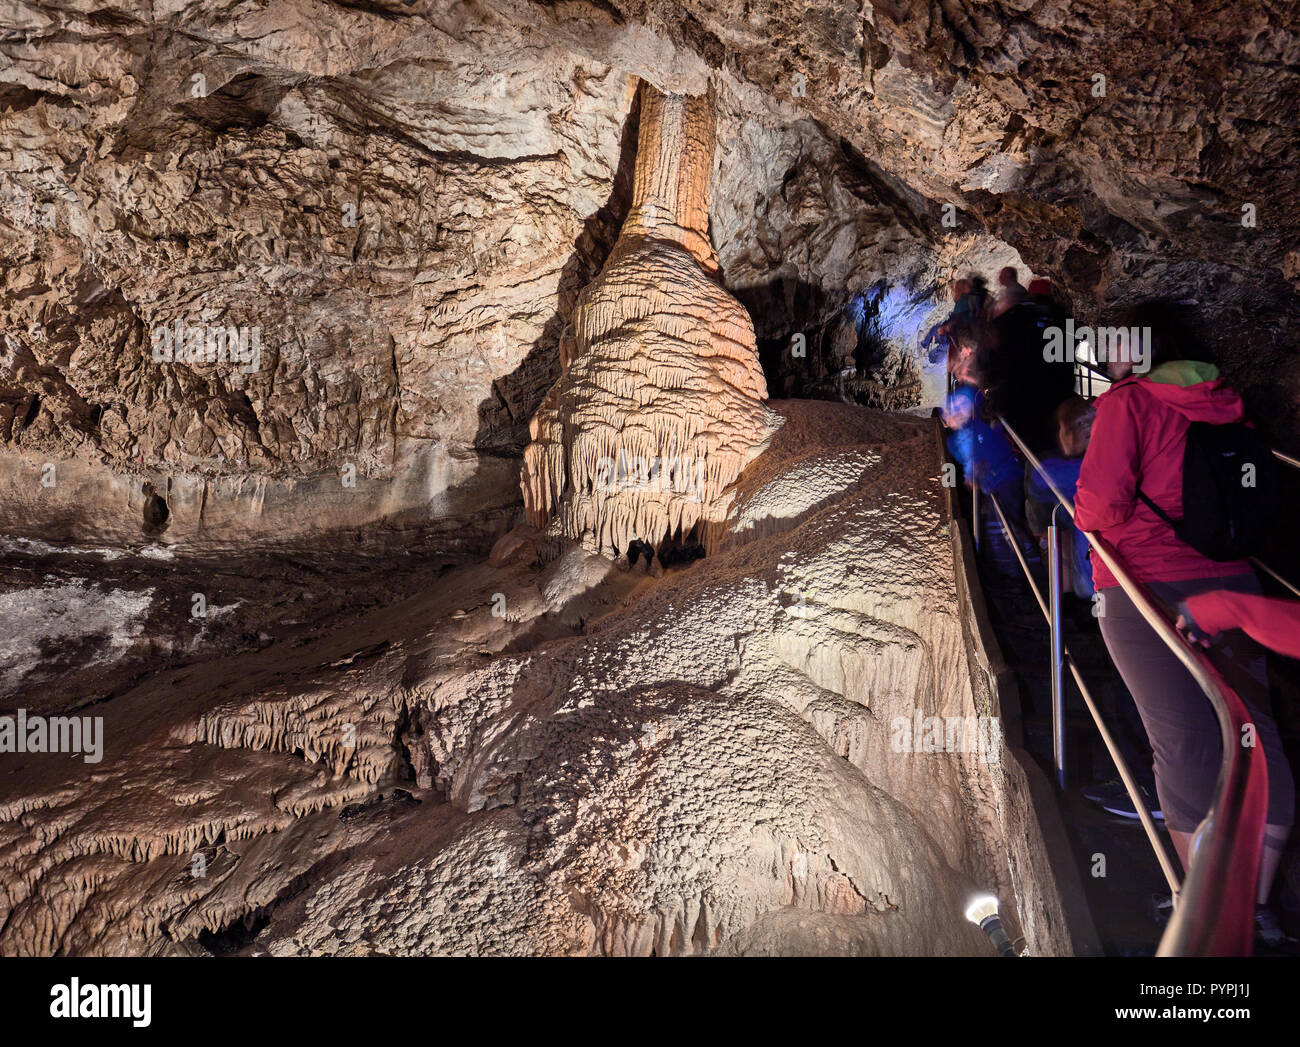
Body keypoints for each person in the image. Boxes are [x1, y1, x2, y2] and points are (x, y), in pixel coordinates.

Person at [1074, 302, 1295, 945]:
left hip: (1147, 590)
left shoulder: (1128, 404)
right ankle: (1256, 902)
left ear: (1136, 349)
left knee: (1182, 739)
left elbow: (1098, 505)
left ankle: (1197, 903)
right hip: (1235, 583)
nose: (1103, 359)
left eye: (1111, 346)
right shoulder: (1222, 396)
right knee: (1257, 732)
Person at [1025, 397, 1095, 599]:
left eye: (1062, 430)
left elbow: (1040, 479)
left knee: (1051, 519)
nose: (1059, 436)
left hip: (1094, 577)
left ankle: (1061, 598)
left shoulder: (1067, 470)